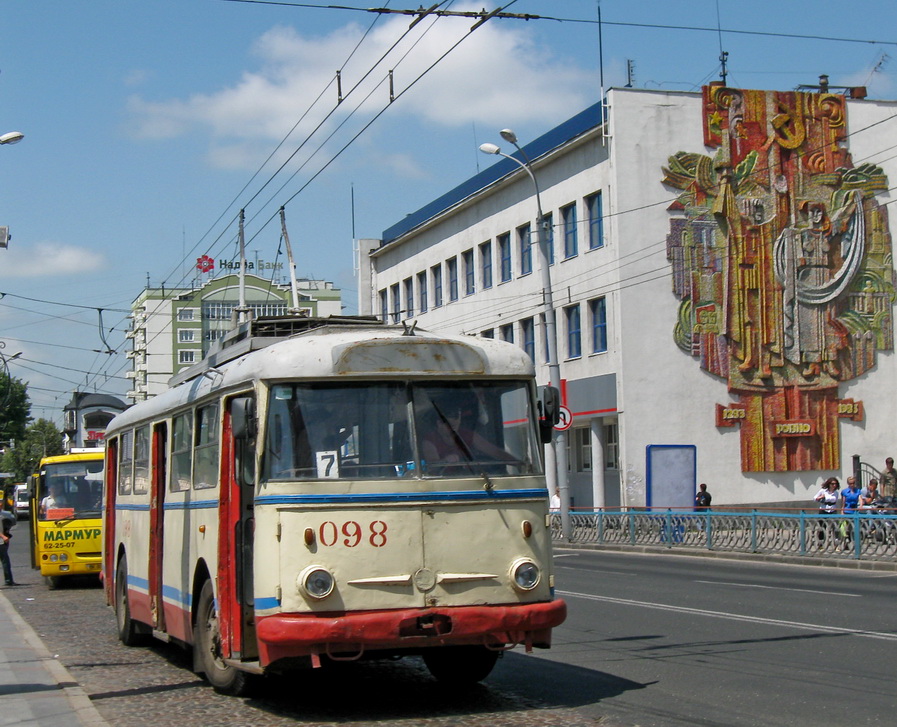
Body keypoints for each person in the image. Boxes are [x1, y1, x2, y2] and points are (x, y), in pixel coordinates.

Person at [0, 508, 15, 586]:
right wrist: (3, 537)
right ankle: (8, 580)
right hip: (2, 541)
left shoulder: (4, 514)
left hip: (3, 542)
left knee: (6, 561)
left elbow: (12, 522)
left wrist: (6, 534)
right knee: (5, 561)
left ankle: (9, 580)